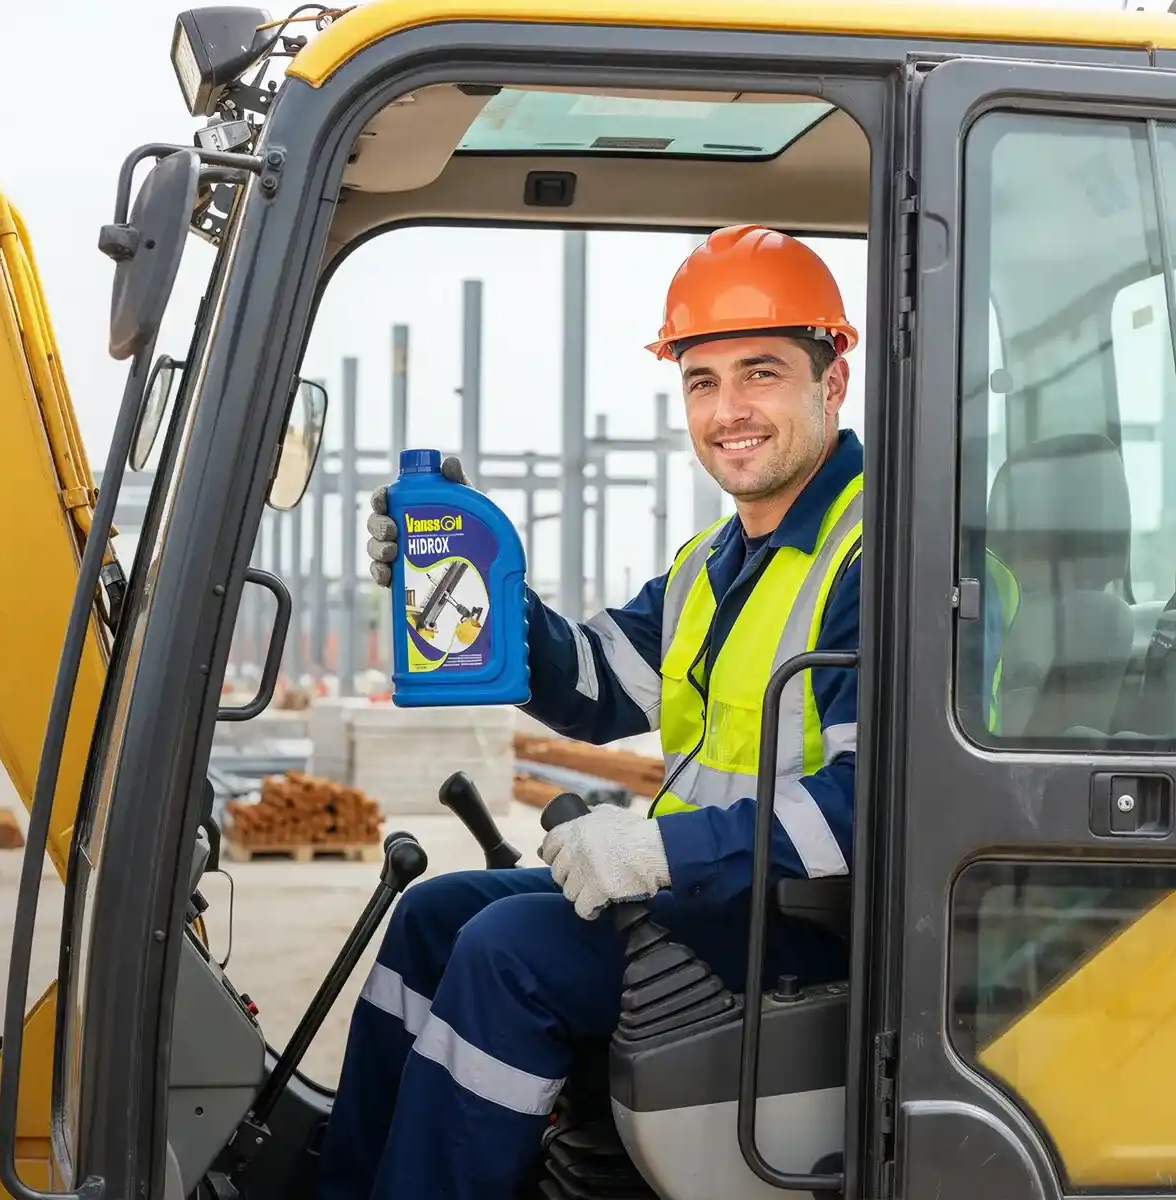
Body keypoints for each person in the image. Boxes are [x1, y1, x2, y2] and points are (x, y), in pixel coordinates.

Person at [316, 225, 863, 1200]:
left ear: (833, 382)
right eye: (703, 382)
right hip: (721, 902)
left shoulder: (880, 555)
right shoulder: (713, 565)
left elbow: (876, 808)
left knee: (508, 953)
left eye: (761, 374)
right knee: (435, 915)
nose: (729, 410)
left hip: (814, 926)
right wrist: (474, 582)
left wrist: (659, 854)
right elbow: (592, 687)